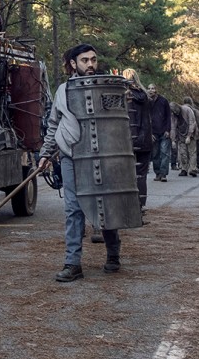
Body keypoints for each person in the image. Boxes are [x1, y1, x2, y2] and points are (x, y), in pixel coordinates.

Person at [36, 44, 126, 281]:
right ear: (73, 64)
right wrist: (45, 153)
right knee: (73, 209)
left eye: (93, 60)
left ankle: (113, 254)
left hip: (102, 156)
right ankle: (72, 263)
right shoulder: (63, 91)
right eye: (85, 60)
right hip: (71, 157)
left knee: (105, 206)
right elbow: (54, 123)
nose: (91, 65)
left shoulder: (106, 87)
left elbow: (118, 122)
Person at [122, 69, 154, 208]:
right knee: (141, 174)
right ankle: (139, 203)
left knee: (128, 173)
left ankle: (131, 204)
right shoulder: (145, 95)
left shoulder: (127, 96)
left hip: (131, 139)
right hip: (145, 139)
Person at [146, 83, 172, 182]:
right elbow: (146, 118)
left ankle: (163, 174)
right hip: (153, 132)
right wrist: (150, 133)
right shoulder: (146, 102)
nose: (150, 90)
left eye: (152, 88)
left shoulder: (163, 101)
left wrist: (168, 130)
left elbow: (168, 116)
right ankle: (158, 173)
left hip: (164, 131)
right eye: (149, 88)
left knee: (165, 153)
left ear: (156, 90)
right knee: (155, 154)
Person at [175, 97, 199, 177]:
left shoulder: (188, 110)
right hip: (180, 135)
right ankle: (184, 169)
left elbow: (192, 123)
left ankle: (193, 169)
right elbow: (173, 125)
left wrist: (189, 136)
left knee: (192, 152)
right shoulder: (173, 113)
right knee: (182, 153)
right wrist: (173, 138)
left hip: (191, 134)